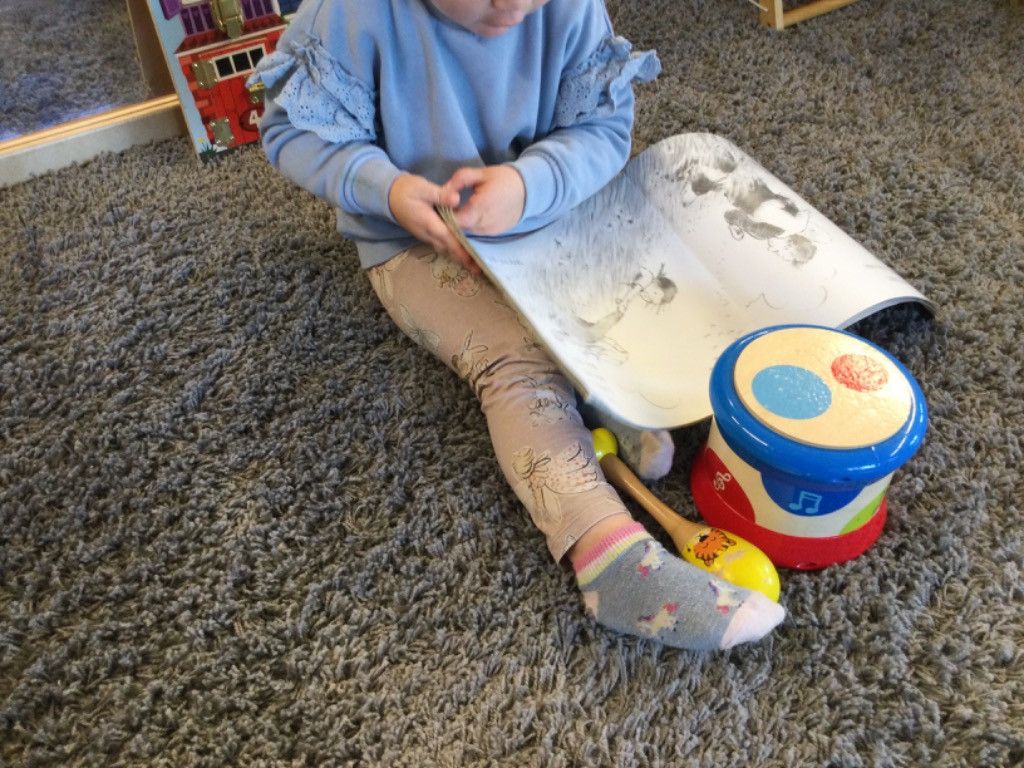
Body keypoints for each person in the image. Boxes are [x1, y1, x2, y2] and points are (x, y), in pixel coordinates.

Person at [250, 0, 784, 651]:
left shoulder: (567, 8)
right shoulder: (349, 13)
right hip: (410, 243)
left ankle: (605, 401)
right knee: (513, 356)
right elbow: (292, 132)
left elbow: (601, 126)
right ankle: (610, 561)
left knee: (622, 293)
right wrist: (385, 188)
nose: (514, 6)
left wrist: (529, 185)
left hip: (545, 218)